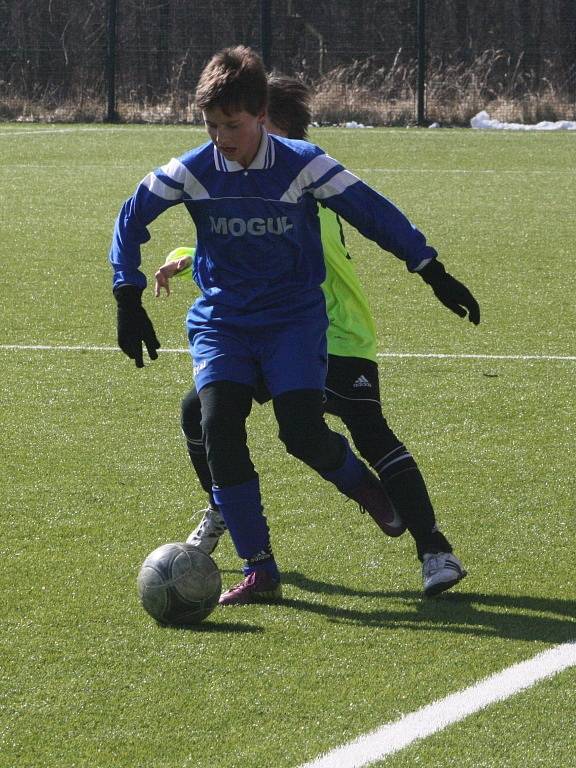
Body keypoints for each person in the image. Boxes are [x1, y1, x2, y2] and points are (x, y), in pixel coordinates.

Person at [110, 47, 479, 606]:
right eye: (211, 126)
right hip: (224, 321)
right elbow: (131, 215)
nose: (221, 139)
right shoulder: (192, 171)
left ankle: (366, 490)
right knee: (216, 424)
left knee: (301, 433)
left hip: (292, 322)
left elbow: (372, 211)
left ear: (261, 116)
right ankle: (260, 568)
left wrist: (431, 269)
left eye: (232, 126)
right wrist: (125, 291)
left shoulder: (303, 164)